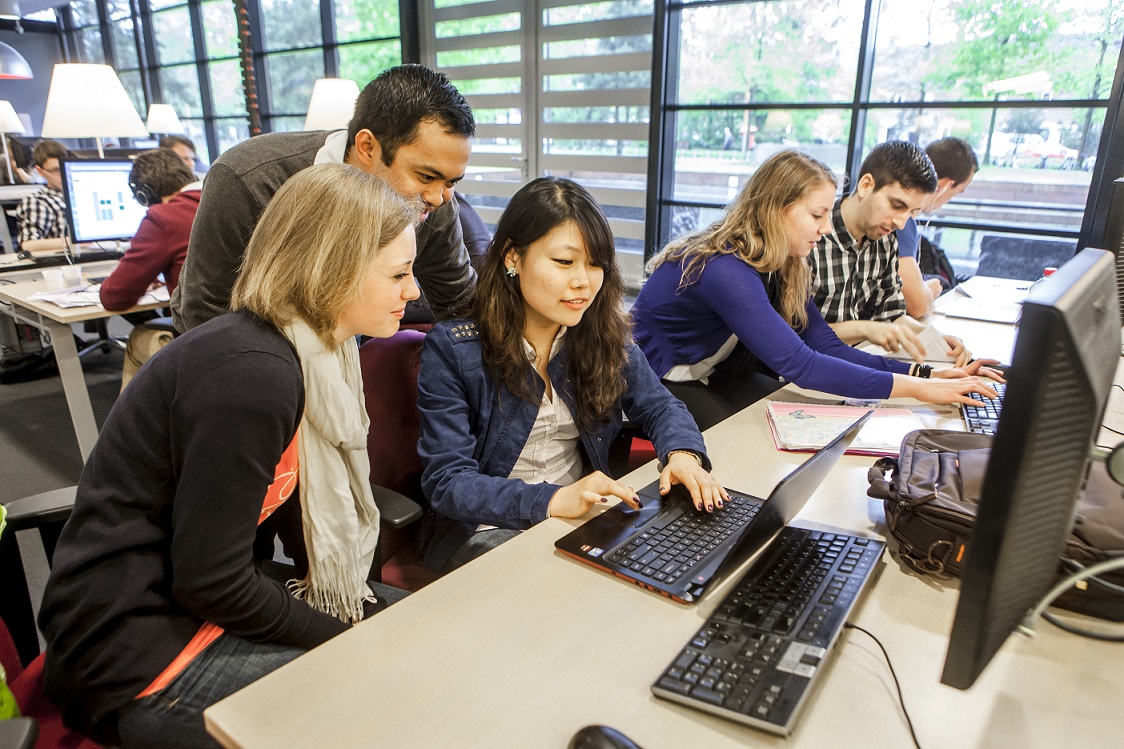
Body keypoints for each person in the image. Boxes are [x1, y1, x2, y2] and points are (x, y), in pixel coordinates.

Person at [38, 164, 418, 748]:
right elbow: (210, 582)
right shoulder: (253, 374)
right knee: (391, 701)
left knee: (418, 630)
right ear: (333, 270)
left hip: (182, 599)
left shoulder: (293, 352)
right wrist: (342, 637)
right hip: (132, 649)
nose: (413, 291)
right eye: (399, 273)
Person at [416, 176, 726, 572]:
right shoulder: (455, 348)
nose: (583, 281)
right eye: (564, 262)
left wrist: (682, 455)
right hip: (487, 529)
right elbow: (449, 482)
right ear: (513, 258)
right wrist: (552, 500)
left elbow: (659, 405)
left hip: (583, 517)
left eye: (596, 264)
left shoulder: (599, 333)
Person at [630, 150, 1001, 432]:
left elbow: (825, 345)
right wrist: (919, 389)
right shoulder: (723, 269)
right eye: (817, 215)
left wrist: (925, 375)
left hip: (714, 372)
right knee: (747, 443)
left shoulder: (784, 262)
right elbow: (801, 365)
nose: (825, 228)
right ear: (776, 210)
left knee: (813, 424)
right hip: (657, 379)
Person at [172, 63, 477, 332]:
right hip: (238, 357)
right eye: (426, 176)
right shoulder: (250, 179)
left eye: (451, 181)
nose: (438, 197)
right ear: (368, 147)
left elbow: (460, 304)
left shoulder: (430, 204)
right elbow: (206, 313)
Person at [808, 140, 972, 365]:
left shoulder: (885, 240)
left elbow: (893, 316)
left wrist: (936, 339)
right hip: (801, 371)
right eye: (897, 205)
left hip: (850, 365)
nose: (901, 223)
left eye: (912, 212)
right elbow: (796, 335)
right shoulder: (812, 236)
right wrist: (867, 329)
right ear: (866, 185)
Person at [99, 148, 201, 390]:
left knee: (138, 337)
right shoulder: (226, 198)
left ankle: (136, 427)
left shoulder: (163, 217)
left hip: (202, 344)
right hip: (262, 334)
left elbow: (114, 297)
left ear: (145, 195)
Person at [895, 137, 978, 317]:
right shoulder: (902, 221)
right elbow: (916, 306)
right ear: (945, 185)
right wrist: (927, 291)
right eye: (956, 193)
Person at [13, 139, 68, 251]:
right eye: (56, 170)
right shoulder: (38, 201)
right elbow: (29, 244)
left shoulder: (82, 194)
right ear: (40, 171)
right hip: (66, 262)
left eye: (65, 167)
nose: (63, 173)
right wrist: (77, 242)